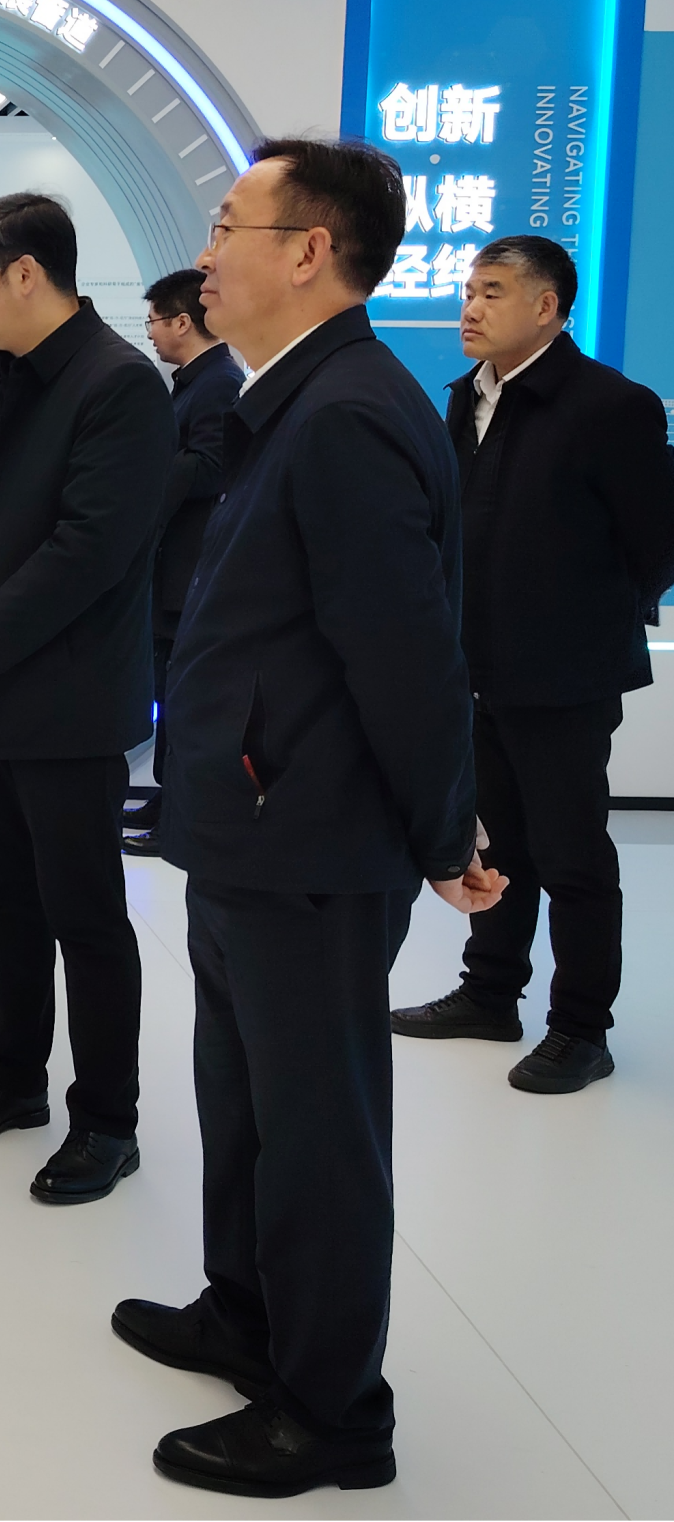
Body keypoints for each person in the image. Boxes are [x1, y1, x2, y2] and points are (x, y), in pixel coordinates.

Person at [117, 139, 506, 1499]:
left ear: (307, 251)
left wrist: (444, 831)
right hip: (248, 826)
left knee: (318, 1132)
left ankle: (333, 1409)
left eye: (227, 226)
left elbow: (406, 654)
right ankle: (247, 1315)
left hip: (310, 841)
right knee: (242, 1103)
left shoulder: (344, 413)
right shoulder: (287, 397)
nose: (203, 254)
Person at [0, 193, 173, 1203]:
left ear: (26, 273)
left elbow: (90, 549)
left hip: (66, 705)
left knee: (85, 919)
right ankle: (12, 1078)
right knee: (7, 905)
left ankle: (107, 1119)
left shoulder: (118, 384)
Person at [391, 236, 674, 1093]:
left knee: (571, 854)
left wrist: (582, 621)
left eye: (493, 292)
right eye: (468, 291)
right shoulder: (465, 397)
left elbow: (656, 545)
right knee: (495, 842)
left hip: (565, 676)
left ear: (547, 307)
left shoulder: (610, 405)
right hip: (474, 668)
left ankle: (581, 1028)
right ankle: (490, 994)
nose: (470, 308)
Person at [123, 270, 241, 854]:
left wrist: (143, 481)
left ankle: (177, 813)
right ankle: (166, 797)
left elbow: (211, 464)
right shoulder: (195, 381)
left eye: (153, 321)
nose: (149, 333)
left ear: (182, 322)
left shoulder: (218, 382)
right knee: (169, 693)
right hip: (173, 567)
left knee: (183, 698)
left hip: (188, 570)